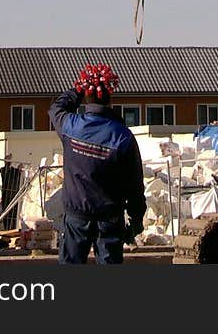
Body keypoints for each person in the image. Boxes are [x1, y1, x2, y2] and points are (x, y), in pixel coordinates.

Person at [48, 62, 146, 265]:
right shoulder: (123, 137)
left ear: (85, 95)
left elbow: (57, 108)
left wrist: (77, 89)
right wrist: (136, 221)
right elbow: (135, 186)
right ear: (111, 98)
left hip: (76, 218)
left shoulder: (71, 127)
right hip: (109, 222)